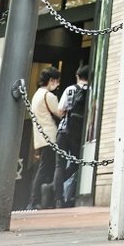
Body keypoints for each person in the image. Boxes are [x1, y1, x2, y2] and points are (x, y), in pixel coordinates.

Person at [52, 63, 90, 209]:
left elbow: (60, 110)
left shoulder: (70, 90)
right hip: (79, 133)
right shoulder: (92, 90)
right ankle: (57, 184)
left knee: (59, 165)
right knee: (75, 163)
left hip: (64, 131)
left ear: (77, 76)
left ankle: (58, 198)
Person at [27, 66, 62, 210]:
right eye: (56, 81)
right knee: (45, 169)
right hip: (50, 136)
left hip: (40, 138)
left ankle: (37, 200)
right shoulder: (49, 96)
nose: (57, 84)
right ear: (51, 80)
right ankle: (34, 200)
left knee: (43, 168)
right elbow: (60, 112)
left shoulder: (36, 95)